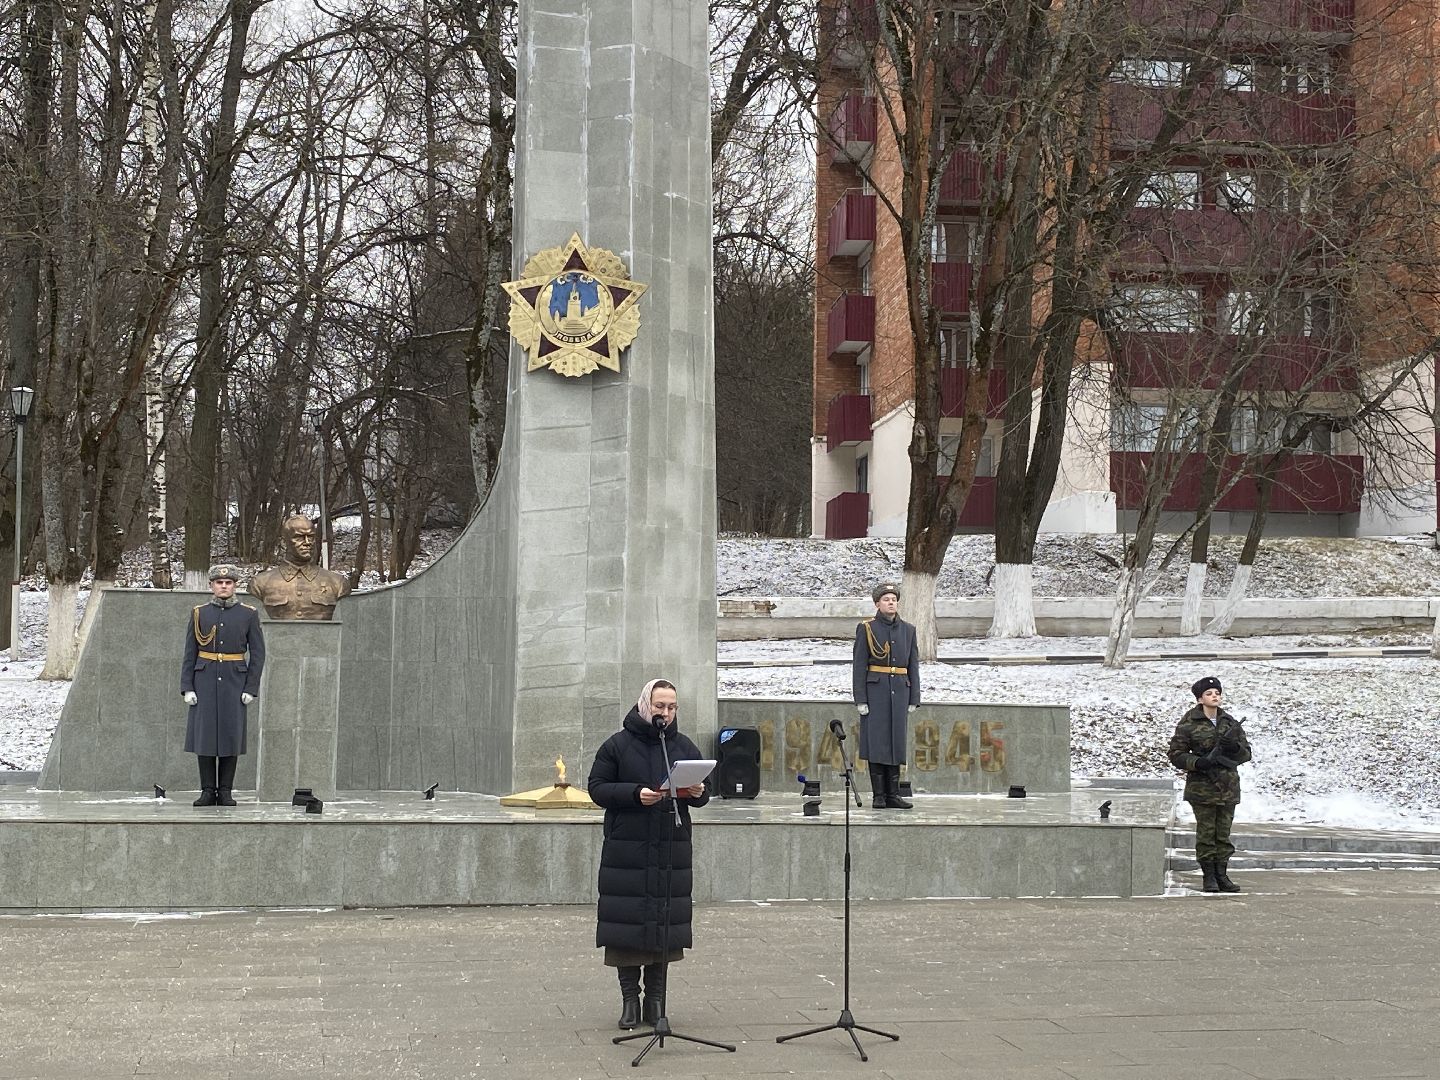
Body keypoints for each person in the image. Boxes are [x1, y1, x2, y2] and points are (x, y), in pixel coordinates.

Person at [587, 679, 710, 1031]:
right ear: (645, 705)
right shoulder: (617, 745)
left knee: (664, 925)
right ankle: (629, 1000)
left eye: (671, 708)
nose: (666, 714)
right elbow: (597, 788)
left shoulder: (683, 746)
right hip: (629, 850)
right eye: (660, 706)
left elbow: (701, 793)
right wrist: (634, 794)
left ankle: (656, 1000)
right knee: (626, 924)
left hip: (671, 847)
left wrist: (699, 791)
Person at [181, 564, 266, 807]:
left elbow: (258, 654)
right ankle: (208, 791)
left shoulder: (248, 614)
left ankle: (226, 791)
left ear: (234, 585)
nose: (224, 586)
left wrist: (250, 687)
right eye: (219, 583)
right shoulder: (199, 613)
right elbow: (190, 652)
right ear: (211, 586)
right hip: (204, 680)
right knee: (205, 737)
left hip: (234, 682)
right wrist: (188, 686)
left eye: (228, 583)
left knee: (230, 736)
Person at [1168, 676, 1252, 893]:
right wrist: (1198, 762)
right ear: (1200, 698)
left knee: (1223, 835)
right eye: (1209, 693)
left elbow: (1246, 755)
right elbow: (1176, 754)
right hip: (1202, 788)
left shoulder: (1230, 723)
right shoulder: (1189, 723)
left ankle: (1222, 875)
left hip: (1227, 787)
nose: (1215, 696)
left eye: (1217, 693)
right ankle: (1209, 877)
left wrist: (1233, 747)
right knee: (1206, 834)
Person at [853, 582, 920, 809]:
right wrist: (861, 698)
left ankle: (893, 794)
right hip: (876, 692)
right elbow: (859, 665)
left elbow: (913, 666)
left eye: (893, 599)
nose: (891, 602)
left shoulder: (908, 630)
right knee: (877, 743)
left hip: (900, 691)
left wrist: (914, 698)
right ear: (877, 604)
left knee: (896, 744)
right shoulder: (867, 629)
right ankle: (878, 795)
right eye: (886, 599)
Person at [248, 513, 352, 620]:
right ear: (284, 543)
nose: (307, 542)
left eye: (311, 537)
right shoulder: (260, 583)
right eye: (299, 537)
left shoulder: (337, 583)